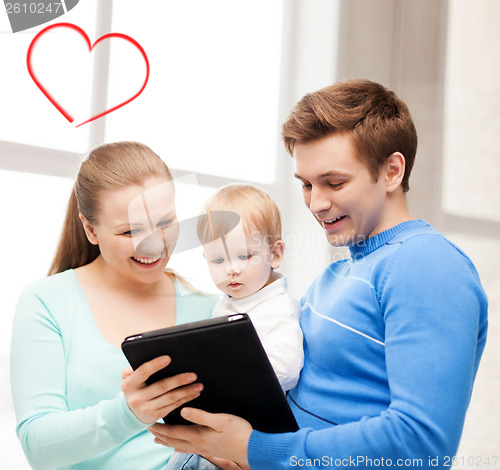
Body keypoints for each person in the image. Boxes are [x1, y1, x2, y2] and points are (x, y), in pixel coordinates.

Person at [147, 79, 489, 470]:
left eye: (334, 182)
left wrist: (256, 449)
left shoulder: (427, 265)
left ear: (392, 171)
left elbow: (421, 443)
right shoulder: (338, 274)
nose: (316, 203)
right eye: (307, 184)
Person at [10, 142, 217, 470]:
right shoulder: (47, 302)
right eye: (130, 230)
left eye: (166, 222)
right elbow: (38, 448)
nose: (153, 242)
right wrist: (128, 413)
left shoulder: (211, 310)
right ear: (91, 229)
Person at [166, 183, 304, 470]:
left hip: (252, 427)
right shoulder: (228, 303)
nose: (231, 268)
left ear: (275, 254)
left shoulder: (277, 309)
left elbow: (286, 368)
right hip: (216, 420)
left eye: (244, 256)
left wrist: (232, 387)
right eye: (218, 259)